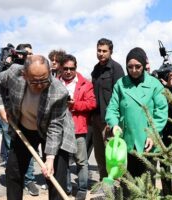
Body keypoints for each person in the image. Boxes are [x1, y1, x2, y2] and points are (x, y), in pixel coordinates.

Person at [0, 55, 77, 200]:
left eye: (44, 79)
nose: (40, 85)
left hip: (51, 129)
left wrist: (50, 159)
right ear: (24, 75)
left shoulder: (59, 91)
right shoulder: (14, 73)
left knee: (55, 174)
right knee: (14, 171)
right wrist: (0, 107)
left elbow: (55, 126)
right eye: (35, 81)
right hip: (24, 127)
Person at [105, 47, 168, 196]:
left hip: (148, 144)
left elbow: (161, 111)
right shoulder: (121, 84)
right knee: (128, 185)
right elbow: (112, 108)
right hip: (126, 144)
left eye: (137, 66)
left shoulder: (154, 84)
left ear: (144, 65)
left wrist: (153, 134)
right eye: (130, 67)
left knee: (147, 186)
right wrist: (114, 124)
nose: (134, 70)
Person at [0, 43, 40, 196]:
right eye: (25, 53)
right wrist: (1, 107)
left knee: (31, 151)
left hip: (31, 118)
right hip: (12, 116)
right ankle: (17, 180)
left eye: (31, 53)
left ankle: (29, 180)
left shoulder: (37, 71)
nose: (29, 56)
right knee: (15, 153)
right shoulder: (13, 69)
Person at [59, 54, 96, 199]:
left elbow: (92, 104)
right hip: (60, 128)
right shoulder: (55, 82)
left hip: (78, 128)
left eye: (71, 68)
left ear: (76, 67)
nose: (68, 71)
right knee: (64, 161)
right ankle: (66, 188)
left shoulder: (85, 84)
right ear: (61, 68)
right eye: (66, 68)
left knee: (81, 161)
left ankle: (82, 189)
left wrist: (74, 104)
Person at [91, 38, 124, 180]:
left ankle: (115, 187)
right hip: (96, 119)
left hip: (109, 121)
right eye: (99, 50)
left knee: (112, 156)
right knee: (99, 155)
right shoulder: (95, 69)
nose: (101, 54)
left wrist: (115, 121)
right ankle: (103, 186)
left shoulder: (116, 69)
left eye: (104, 51)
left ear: (111, 51)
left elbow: (120, 96)